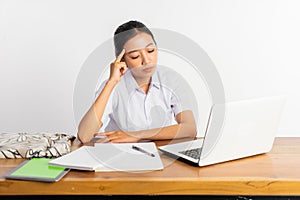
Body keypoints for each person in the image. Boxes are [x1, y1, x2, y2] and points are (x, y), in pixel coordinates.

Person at [77, 20, 197, 143]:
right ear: (122, 59)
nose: (146, 61)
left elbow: (190, 129)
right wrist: (111, 82)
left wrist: (136, 135)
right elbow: (84, 136)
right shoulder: (114, 86)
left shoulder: (171, 80)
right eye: (135, 56)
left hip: (159, 154)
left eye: (150, 50)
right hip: (121, 155)